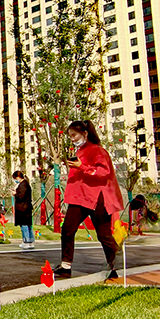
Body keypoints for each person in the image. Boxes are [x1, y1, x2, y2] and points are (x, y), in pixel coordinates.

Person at [54, 120, 123, 280]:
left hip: (97, 198)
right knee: (68, 229)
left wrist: (82, 167)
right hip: (80, 198)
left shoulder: (98, 151)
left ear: (85, 133)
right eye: (70, 136)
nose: (71, 139)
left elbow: (103, 172)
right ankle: (65, 266)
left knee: (104, 234)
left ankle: (113, 267)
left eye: (74, 135)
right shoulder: (80, 151)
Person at [12, 170, 34, 250]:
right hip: (26, 207)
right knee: (28, 225)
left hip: (22, 208)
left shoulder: (23, 185)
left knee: (24, 225)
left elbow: (21, 196)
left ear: (17, 177)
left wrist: (15, 194)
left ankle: (26, 241)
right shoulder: (26, 184)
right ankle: (30, 241)